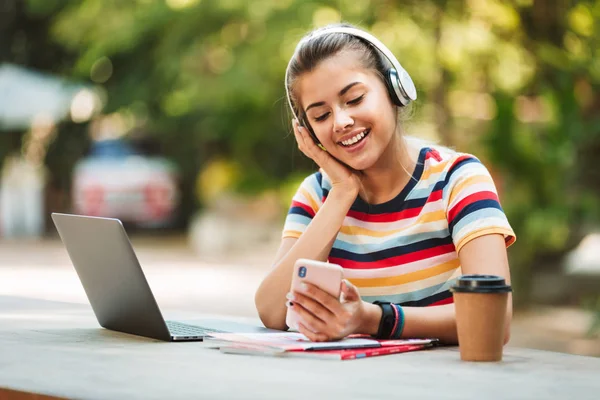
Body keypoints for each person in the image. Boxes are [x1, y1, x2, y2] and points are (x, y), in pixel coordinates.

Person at [254, 24, 516, 344]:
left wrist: (373, 319)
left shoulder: (459, 180)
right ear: (307, 132)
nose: (341, 122)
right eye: (320, 116)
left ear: (395, 89)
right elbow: (271, 311)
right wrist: (342, 193)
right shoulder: (317, 195)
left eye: (354, 98)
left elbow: (493, 319)